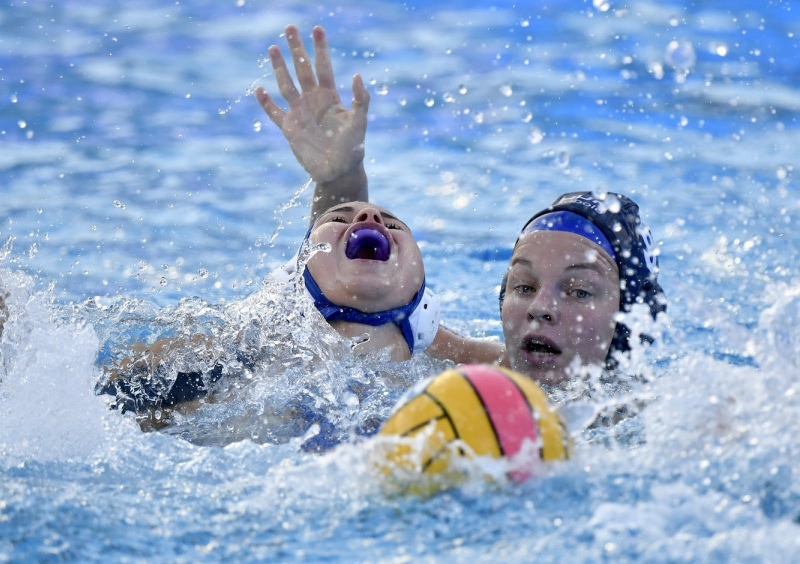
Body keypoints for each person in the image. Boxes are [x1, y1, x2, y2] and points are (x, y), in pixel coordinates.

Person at [255, 25, 666, 387]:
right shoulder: (470, 369)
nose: (540, 308)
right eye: (523, 287)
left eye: (579, 291)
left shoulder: (662, 418)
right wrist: (340, 180)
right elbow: (341, 292)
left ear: (630, 318)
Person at [0, 199, 443, 442]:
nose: (369, 221)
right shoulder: (222, 367)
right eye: (340, 218)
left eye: (392, 222)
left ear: (424, 296)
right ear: (295, 280)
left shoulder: (447, 373)